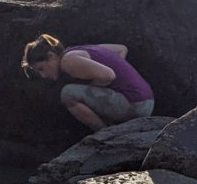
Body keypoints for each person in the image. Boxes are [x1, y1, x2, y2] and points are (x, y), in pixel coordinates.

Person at [21, 33, 154, 132]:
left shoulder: (68, 61)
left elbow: (108, 75)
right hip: (147, 101)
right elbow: (121, 49)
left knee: (68, 94)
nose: (43, 75)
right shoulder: (85, 49)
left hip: (134, 104)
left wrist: (92, 88)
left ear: (51, 56)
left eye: (41, 69)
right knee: (85, 94)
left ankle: (105, 133)